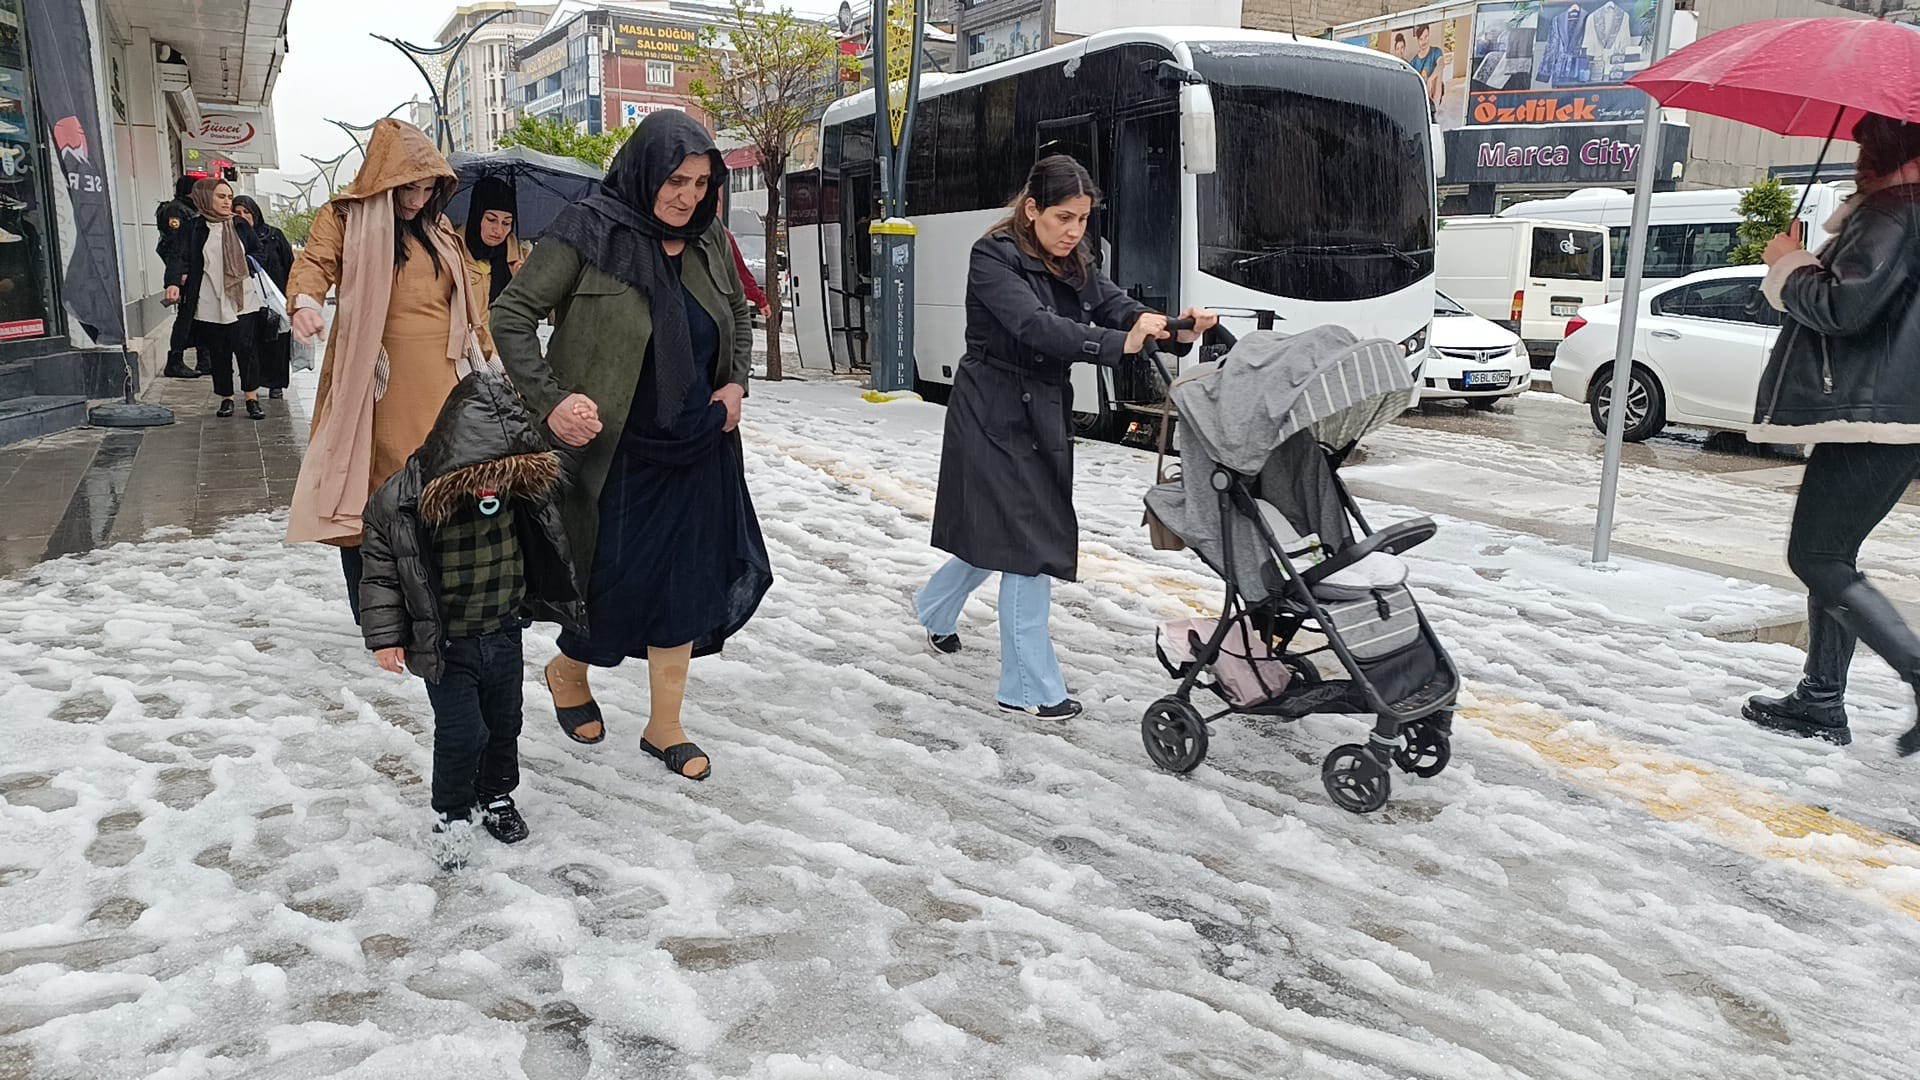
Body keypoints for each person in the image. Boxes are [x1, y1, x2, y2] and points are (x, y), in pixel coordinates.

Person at [493, 110, 770, 781]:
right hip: (613, 451)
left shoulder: (708, 241)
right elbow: (512, 314)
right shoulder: (587, 232)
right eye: (676, 179)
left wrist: (735, 383)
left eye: (702, 183)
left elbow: (735, 311)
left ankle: (664, 725)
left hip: (698, 445)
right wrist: (553, 400)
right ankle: (568, 669)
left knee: (685, 585)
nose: (688, 196)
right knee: (610, 584)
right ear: (646, 169)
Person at [917, 155, 1217, 719]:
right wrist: (1113, 344)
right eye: (1062, 218)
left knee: (999, 534)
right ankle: (1028, 688)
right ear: (1031, 210)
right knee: (1025, 545)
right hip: (992, 410)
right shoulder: (993, 258)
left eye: (1082, 218)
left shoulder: (1078, 258)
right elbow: (1033, 326)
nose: (1074, 230)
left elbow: (1116, 305)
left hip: (1040, 411)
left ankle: (933, 608)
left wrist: (1173, 326)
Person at [1744, 112, 1920, 756]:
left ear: (1888, 151)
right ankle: (1820, 699)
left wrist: (1790, 263)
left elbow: (1845, 310)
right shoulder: (1898, 211)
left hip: (1877, 417)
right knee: (1832, 556)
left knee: (1816, 557)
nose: (1855, 157)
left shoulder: (1896, 210)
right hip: (1888, 412)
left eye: (1864, 146)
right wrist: (1802, 261)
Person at [360, 370, 586, 870]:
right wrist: (385, 637)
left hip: (503, 632)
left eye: (499, 471)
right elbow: (379, 573)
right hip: (447, 644)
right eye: (477, 471)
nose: (488, 483)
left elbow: (560, 472)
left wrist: (571, 425)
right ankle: (451, 812)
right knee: (463, 732)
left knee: (505, 724)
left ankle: (497, 796)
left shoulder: (522, 489)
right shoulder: (403, 501)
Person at [284, 119, 493, 625]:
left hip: (445, 380)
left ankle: (433, 600)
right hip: (375, 381)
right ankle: (376, 609)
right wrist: (306, 304)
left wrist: (492, 363)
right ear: (384, 178)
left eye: (428, 188)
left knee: (438, 486)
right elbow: (315, 263)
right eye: (410, 187)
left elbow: (467, 305)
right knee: (372, 490)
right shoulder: (344, 217)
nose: (419, 199)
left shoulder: (441, 230)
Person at [174, 178, 267, 419]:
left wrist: (240, 265)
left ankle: (251, 398)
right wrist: (173, 283)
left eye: (229, 197)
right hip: (209, 299)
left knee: (246, 348)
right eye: (221, 197)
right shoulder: (195, 228)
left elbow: (259, 252)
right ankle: (226, 398)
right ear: (206, 198)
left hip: (241, 298)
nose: (227, 202)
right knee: (218, 351)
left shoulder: (239, 225)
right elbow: (180, 257)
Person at [232, 195, 295, 400]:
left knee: (277, 340)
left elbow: (290, 264)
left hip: (275, 297)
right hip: (248, 299)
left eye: (246, 212)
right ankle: (253, 382)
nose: (242, 217)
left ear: (255, 213)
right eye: (237, 213)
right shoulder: (232, 238)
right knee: (251, 342)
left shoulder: (273, 236)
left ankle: (276, 383)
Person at [156, 175, 206, 379]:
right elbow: (177, 247)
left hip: (192, 270)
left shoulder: (191, 210)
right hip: (184, 272)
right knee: (186, 315)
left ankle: (205, 358)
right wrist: (178, 276)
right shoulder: (176, 210)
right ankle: (175, 360)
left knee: (198, 314)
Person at [461, 176, 525, 328]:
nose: (498, 230)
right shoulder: (452, 251)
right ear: (477, 216)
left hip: (504, 347)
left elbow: (533, 313)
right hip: (467, 347)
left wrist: (524, 282)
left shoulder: (518, 257)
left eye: (507, 223)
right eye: (491, 219)